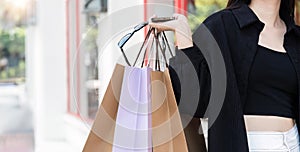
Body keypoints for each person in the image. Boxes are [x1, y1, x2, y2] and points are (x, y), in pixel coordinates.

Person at [151, 0, 300, 151]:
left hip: (293, 142)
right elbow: (194, 100)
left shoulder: (296, 37)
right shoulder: (221, 26)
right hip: (248, 143)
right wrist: (183, 33)